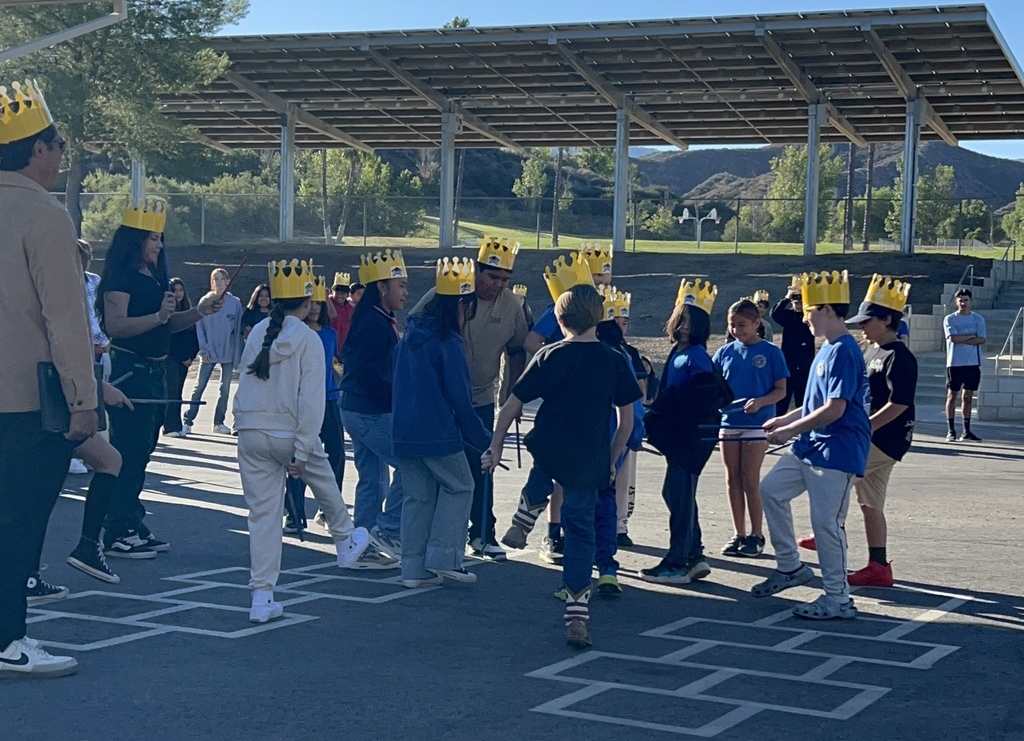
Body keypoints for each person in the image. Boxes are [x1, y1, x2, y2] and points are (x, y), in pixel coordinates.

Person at [485, 278, 641, 649]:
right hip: (590, 458)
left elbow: (511, 405)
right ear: (599, 317)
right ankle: (577, 613)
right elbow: (627, 419)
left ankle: (527, 510)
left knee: (544, 467)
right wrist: (613, 458)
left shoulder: (550, 354)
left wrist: (494, 447)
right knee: (581, 532)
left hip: (552, 445)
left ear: (559, 317)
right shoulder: (614, 359)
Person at [0, 79, 97, 677]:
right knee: (20, 522)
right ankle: (10, 637)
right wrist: (83, 399)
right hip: (27, 401)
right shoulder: (44, 213)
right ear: (37, 150)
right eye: (57, 143)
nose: (61, 153)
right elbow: (65, 316)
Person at [234, 260, 370, 623]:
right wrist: (302, 447)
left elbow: (244, 383)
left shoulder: (260, 330)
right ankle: (344, 538)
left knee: (262, 515)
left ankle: (261, 597)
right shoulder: (309, 339)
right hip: (285, 428)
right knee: (320, 468)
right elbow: (310, 401)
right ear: (309, 301)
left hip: (250, 428)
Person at [89, 198, 222, 560]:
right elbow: (116, 327)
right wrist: (158, 318)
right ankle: (117, 528)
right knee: (129, 451)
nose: (159, 246)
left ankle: (131, 520)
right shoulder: (120, 277)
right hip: (132, 368)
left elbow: (169, 323)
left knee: (145, 450)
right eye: (152, 238)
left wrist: (198, 311)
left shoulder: (156, 276)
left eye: (160, 238)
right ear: (135, 240)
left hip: (158, 370)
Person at [753, 270, 870, 621]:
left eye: (809, 310)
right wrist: (785, 421)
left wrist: (789, 431)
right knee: (770, 491)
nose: (804, 317)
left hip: (837, 451)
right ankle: (790, 566)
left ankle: (838, 598)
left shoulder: (845, 351)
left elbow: (835, 409)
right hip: (810, 446)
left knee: (825, 524)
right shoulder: (827, 349)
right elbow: (815, 403)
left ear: (828, 310)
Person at [408, 236, 528, 560]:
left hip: (481, 396)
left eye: (504, 279)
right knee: (440, 468)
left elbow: (516, 350)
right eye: (492, 277)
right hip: (441, 399)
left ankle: (482, 533)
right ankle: (434, 537)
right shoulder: (446, 293)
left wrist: (510, 393)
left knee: (481, 466)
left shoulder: (513, 306)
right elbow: (413, 332)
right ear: (476, 270)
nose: (498, 285)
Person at [393, 258, 492, 587]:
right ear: (461, 306)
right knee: (461, 485)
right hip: (437, 432)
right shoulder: (449, 342)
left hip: (404, 431)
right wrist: (485, 439)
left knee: (417, 497)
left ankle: (412, 568)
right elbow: (461, 400)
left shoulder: (410, 337)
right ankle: (445, 556)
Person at [520, 244, 614, 565]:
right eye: (597, 277)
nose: (603, 283)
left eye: (605, 275)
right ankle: (553, 531)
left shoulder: (604, 309)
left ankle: (590, 535)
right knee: (561, 471)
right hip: (568, 400)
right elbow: (533, 342)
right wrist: (557, 368)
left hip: (595, 400)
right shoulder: (562, 307)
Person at [639, 279, 726, 585]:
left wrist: (668, 405)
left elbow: (703, 393)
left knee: (680, 493)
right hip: (683, 434)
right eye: (682, 318)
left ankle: (678, 561)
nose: (686, 326)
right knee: (676, 493)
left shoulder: (697, 355)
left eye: (692, 320)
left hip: (692, 435)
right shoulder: (680, 351)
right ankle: (695, 553)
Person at [842, 276, 918, 587]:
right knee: (870, 501)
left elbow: (899, 404)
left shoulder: (900, 357)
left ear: (887, 319)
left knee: (836, 479)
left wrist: (864, 428)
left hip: (885, 439)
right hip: (872, 436)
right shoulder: (871, 350)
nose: (862, 327)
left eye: (867, 321)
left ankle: (830, 537)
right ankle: (878, 566)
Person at [338, 250, 409, 568]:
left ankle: (360, 543)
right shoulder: (373, 324)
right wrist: (399, 398)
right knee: (413, 466)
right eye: (401, 285)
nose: (406, 292)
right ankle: (389, 529)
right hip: (368, 411)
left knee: (372, 479)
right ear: (382, 287)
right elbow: (371, 373)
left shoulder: (375, 319)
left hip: (357, 409)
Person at [712, 299, 788, 558]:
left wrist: (761, 402)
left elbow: (781, 390)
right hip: (729, 423)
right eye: (732, 325)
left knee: (749, 480)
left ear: (757, 323)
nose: (737, 330)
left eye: (742, 325)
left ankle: (756, 534)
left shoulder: (770, 352)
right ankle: (739, 533)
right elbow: (714, 387)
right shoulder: (724, 352)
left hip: (757, 425)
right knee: (732, 479)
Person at [283, 276, 346, 533]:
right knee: (299, 456)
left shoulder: (330, 333)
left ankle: (328, 509)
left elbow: (334, 362)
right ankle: (294, 512)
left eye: (319, 303)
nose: (316, 307)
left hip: (329, 399)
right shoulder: (297, 333)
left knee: (337, 455)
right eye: (311, 303)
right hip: (303, 401)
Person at [183, 268, 242, 435]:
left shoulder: (235, 303)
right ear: (212, 282)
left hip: (228, 353)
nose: (219, 282)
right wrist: (204, 350)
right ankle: (188, 421)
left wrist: (237, 355)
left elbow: (237, 330)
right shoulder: (206, 301)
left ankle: (219, 422)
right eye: (215, 279)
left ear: (228, 281)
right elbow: (199, 327)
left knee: (225, 389)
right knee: (199, 387)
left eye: (222, 279)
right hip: (209, 353)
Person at [69, 239, 111, 474]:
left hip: (102, 349)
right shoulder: (63, 282)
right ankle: (75, 452)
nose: (83, 259)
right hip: (80, 352)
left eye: (86, 255)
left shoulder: (95, 281)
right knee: (80, 401)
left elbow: (101, 314)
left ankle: (94, 452)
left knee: (100, 402)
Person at [944, 288, 986, 442]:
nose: (963, 303)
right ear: (956, 302)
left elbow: (981, 339)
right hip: (955, 363)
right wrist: (970, 337)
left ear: (971, 301)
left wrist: (964, 338)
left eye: (966, 300)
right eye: (960, 300)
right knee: (952, 395)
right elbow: (953, 338)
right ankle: (951, 430)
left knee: (967, 396)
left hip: (972, 364)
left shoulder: (978, 319)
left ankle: (966, 431)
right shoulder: (950, 319)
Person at [771, 282, 815, 415]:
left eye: (801, 302)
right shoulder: (789, 316)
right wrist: (786, 298)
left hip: (804, 363)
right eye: (795, 302)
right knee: (783, 400)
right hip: (788, 362)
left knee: (802, 399)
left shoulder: (809, 317)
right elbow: (775, 314)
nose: (798, 305)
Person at [163, 278, 199, 437]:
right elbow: (172, 340)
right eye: (175, 290)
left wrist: (191, 357)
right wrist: (184, 356)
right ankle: (171, 426)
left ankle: (174, 425)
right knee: (171, 392)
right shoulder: (168, 312)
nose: (178, 294)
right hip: (172, 357)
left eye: (180, 290)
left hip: (185, 361)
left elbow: (194, 338)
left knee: (178, 391)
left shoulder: (188, 310)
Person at [329, 272, 356, 357]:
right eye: (337, 292)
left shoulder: (351, 308)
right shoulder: (327, 303)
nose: (340, 296)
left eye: (343, 293)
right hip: (331, 345)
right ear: (332, 291)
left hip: (345, 348)